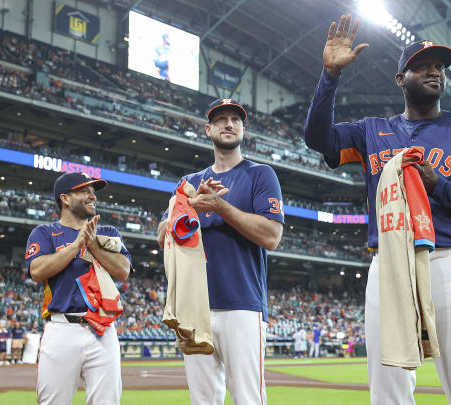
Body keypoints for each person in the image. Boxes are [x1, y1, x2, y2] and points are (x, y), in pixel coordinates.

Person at [304, 14, 451, 405]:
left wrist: (440, 186)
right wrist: (329, 75)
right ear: (401, 78)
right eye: (421, 65)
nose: (433, 71)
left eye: (439, 66)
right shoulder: (371, 130)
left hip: (450, 262)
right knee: (387, 389)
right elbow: (318, 139)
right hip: (389, 263)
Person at [157, 98, 284, 405]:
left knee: (248, 398)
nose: (229, 124)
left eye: (235, 120)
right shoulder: (189, 183)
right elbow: (162, 237)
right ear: (207, 129)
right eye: (221, 119)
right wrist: (191, 207)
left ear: (243, 129)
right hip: (194, 307)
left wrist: (219, 206)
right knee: (202, 400)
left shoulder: (260, 174)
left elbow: (272, 235)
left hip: (242, 304)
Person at [26, 171, 131, 405]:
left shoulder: (108, 233)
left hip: (102, 329)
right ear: (65, 198)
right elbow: (37, 270)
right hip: (61, 328)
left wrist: (93, 245)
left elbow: (123, 270)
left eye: (93, 192)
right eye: (84, 191)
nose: (92, 196)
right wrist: (76, 246)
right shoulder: (45, 233)